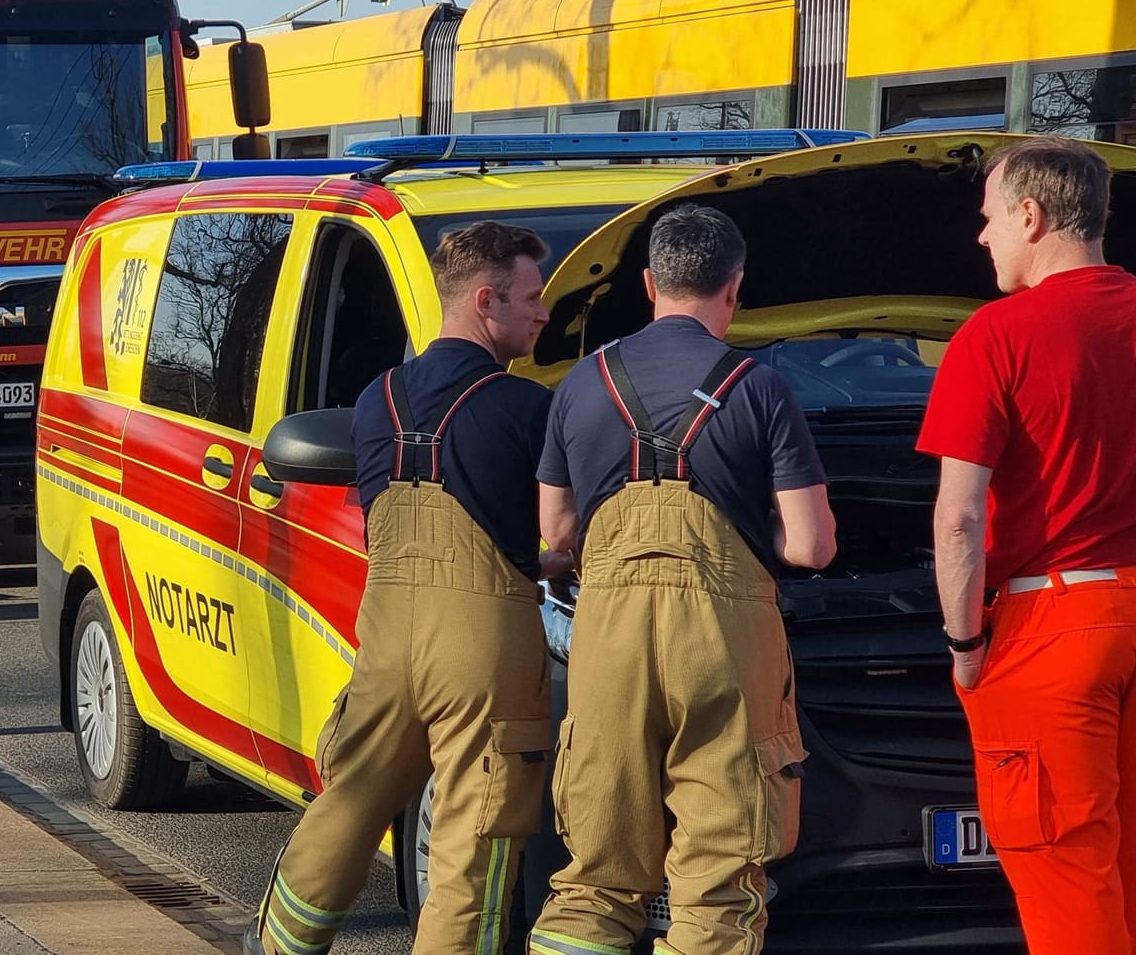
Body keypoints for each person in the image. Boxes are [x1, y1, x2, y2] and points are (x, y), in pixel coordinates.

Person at [249, 221, 567, 955]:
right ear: (486, 301)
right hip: (483, 649)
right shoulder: (527, 409)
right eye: (532, 297)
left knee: (349, 804)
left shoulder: (377, 400)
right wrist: (557, 561)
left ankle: (278, 944)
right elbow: (555, 533)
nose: (543, 312)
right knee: (473, 833)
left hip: (386, 637)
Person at [528, 204, 834, 955]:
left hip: (608, 637)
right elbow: (811, 545)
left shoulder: (580, 384)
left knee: (597, 871)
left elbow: (558, 535)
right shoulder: (758, 388)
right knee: (721, 872)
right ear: (733, 288)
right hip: (724, 641)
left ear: (647, 284)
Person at [917, 136, 1136, 955]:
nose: (982, 237)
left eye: (990, 219)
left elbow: (958, 517)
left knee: (1065, 870)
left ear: (1030, 216)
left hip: (1052, 623)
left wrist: (964, 643)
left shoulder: (994, 337)